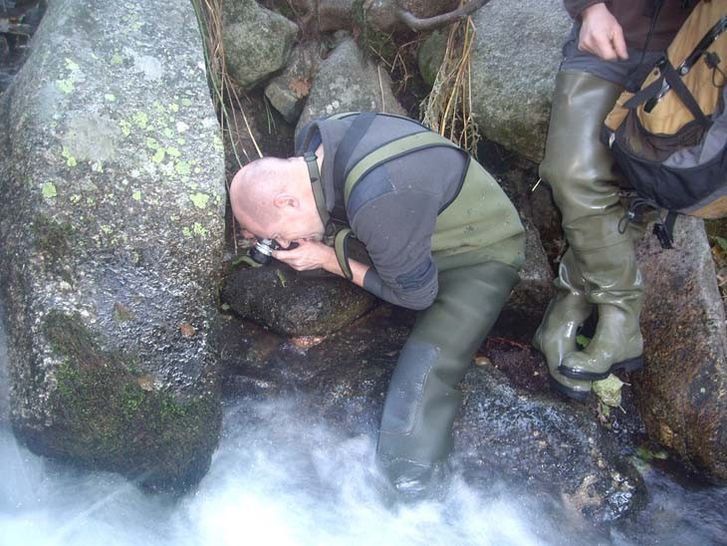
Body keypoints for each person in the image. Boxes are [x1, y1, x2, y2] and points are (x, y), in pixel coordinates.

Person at [229, 112, 525, 499]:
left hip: (479, 255)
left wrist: (327, 259)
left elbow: (418, 297)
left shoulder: (380, 198)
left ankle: (411, 495)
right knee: (369, 242)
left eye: (277, 235)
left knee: (420, 383)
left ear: (286, 201)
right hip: (413, 223)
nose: (281, 244)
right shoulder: (315, 146)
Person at [533, 1, 693, 399]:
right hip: (614, 28)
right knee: (569, 172)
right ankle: (620, 314)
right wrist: (590, 8)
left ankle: (571, 311)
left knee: (641, 188)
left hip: (694, 51)